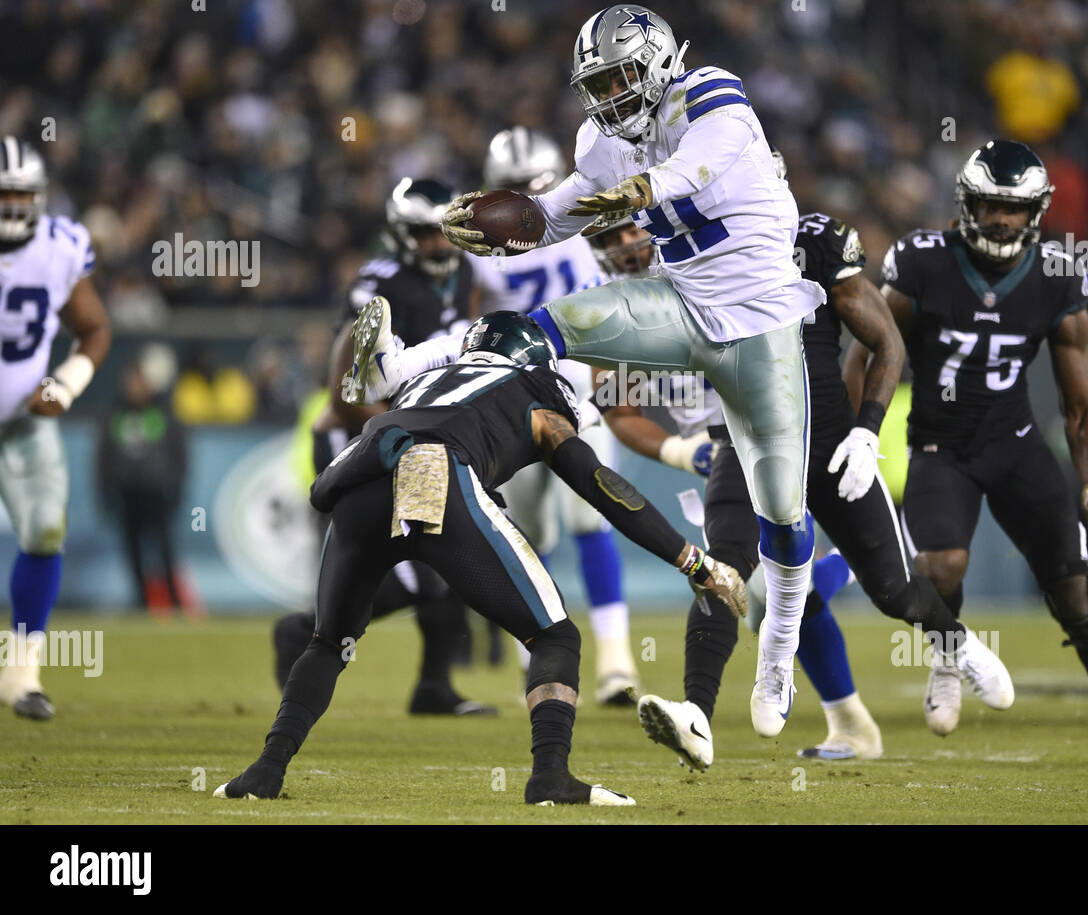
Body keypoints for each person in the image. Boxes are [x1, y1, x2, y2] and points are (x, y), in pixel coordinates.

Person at [432, 4, 825, 737]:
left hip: (760, 324)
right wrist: (496, 225)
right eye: (596, 82)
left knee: (782, 512)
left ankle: (780, 640)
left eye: (617, 76)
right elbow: (551, 217)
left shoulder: (710, 94)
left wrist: (644, 189)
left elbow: (697, 163)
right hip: (678, 304)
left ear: (655, 61)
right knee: (536, 330)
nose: (607, 95)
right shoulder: (604, 142)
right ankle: (483, 440)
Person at [215, 308, 746, 805]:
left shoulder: (426, 379)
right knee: (555, 635)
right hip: (437, 472)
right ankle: (550, 777)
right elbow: (599, 484)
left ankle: (265, 771)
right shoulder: (536, 388)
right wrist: (694, 562)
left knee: (328, 642)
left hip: (361, 479)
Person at [588, 200, 1011, 767]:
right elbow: (614, 398)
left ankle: (950, 642)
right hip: (739, 441)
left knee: (889, 590)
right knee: (726, 572)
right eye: (609, 237)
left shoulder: (804, 243)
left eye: (628, 230)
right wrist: (682, 447)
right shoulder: (659, 277)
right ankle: (701, 712)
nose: (623, 246)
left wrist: (866, 433)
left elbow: (884, 340)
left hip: (824, 437)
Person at [879, 139, 1088, 767]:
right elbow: (872, 348)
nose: (1001, 219)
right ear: (966, 205)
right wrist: (862, 428)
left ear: (1037, 211)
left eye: (1014, 207)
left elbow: (1079, 404)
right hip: (939, 445)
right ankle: (951, 659)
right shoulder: (923, 261)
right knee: (940, 564)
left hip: (1017, 444)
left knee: (1073, 588)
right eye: (989, 205)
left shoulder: (1057, 274)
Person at [275, 177, 493, 716]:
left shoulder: (464, 269)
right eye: (423, 234)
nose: (439, 245)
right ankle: (304, 631)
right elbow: (344, 394)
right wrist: (416, 429)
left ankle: (433, 688)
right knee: (416, 570)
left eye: (443, 232)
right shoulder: (380, 283)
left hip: (412, 432)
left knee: (442, 558)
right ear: (399, 236)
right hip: (355, 435)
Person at [470, 127, 638, 705]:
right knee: (530, 536)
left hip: (560, 398)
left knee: (590, 524)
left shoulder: (577, 229)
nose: (518, 200)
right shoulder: (578, 229)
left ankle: (615, 662)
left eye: (525, 188)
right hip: (525, 401)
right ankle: (538, 659)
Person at [0, 137, 112, 720]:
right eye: (3, 196)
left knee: (45, 531)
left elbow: (94, 330)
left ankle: (22, 676)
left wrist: (64, 385)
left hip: (23, 419)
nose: (13, 208)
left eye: (22, 196)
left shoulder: (59, 246)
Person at [96, 358, 189, 614]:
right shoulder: (114, 413)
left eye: (139, 381)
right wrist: (105, 492)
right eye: (130, 381)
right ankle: (141, 601)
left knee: (164, 550)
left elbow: (179, 453)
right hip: (128, 494)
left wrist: (176, 486)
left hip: (156, 493)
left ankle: (174, 599)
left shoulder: (163, 413)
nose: (134, 387)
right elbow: (103, 457)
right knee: (133, 550)